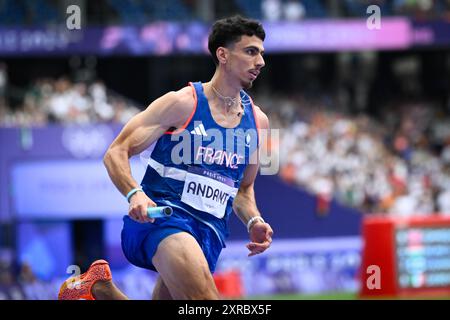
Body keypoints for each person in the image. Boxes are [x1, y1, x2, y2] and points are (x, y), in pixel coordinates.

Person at [58, 15, 273, 300]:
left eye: (261, 53)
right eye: (251, 51)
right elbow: (116, 151)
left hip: (209, 235)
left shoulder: (260, 123)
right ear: (222, 54)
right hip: (164, 219)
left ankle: (98, 290)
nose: (260, 62)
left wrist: (253, 221)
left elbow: (243, 189)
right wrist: (135, 193)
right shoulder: (183, 103)